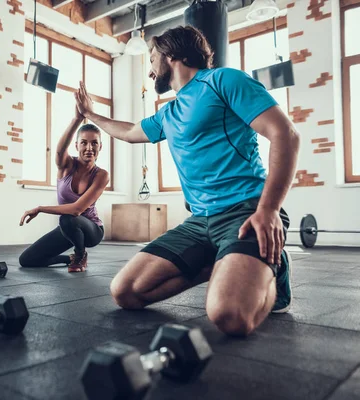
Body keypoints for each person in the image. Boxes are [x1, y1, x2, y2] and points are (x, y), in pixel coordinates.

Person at [74, 25, 300, 337]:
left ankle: (274, 269)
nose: (151, 71)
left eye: (152, 58)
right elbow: (128, 132)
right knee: (125, 291)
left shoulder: (223, 80)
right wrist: (91, 115)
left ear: (173, 55)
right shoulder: (169, 113)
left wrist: (269, 209)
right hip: (199, 222)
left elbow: (284, 133)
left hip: (246, 211)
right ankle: (222, 262)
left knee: (228, 315)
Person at [18, 103, 110, 272]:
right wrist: (77, 119)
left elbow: (77, 210)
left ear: (100, 147)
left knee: (67, 218)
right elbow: (60, 150)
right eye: (83, 143)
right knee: (27, 260)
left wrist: (40, 208)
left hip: (92, 230)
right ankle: (70, 259)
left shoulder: (101, 175)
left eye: (94, 143)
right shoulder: (66, 166)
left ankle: (80, 254)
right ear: (77, 146)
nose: (89, 148)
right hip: (69, 228)